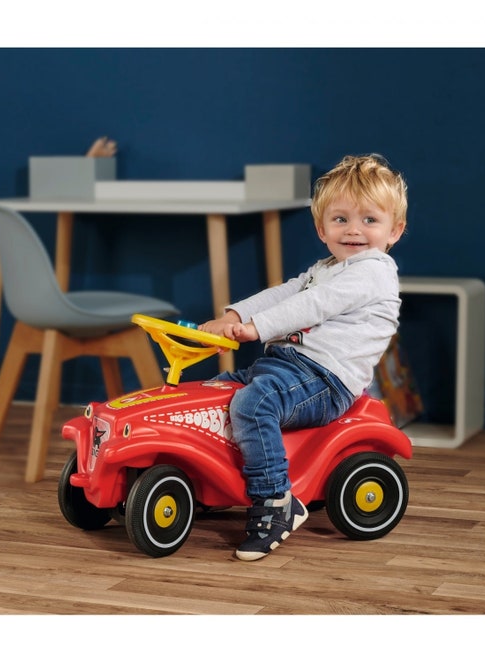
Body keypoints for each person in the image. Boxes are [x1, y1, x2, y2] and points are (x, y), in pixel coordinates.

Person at [199, 154, 408, 561]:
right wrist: (235, 314)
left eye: (369, 220)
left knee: (253, 403)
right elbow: (286, 293)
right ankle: (215, 480)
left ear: (394, 231)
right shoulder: (326, 268)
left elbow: (314, 305)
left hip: (325, 380)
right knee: (212, 394)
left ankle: (276, 501)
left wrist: (256, 328)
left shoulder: (373, 270)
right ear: (321, 228)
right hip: (286, 368)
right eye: (341, 219)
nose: (353, 231)